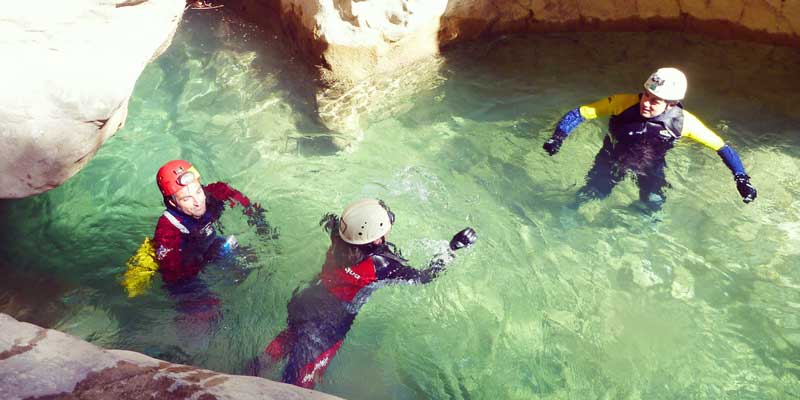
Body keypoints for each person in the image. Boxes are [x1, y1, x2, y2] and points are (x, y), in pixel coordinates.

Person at [245, 199, 477, 388]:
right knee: (296, 386)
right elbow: (424, 278)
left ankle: (248, 374)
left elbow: (339, 222)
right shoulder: (383, 265)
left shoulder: (336, 230)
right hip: (329, 326)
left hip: (306, 300)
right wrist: (451, 249)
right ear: (377, 238)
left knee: (290, 336)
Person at [542, 67, 757, 211]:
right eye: (646, 94)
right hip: (612, 158)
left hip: (651, 166)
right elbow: (581, 113)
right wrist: (558, 137)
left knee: (653, 205)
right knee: (590, 195)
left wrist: (742, 179)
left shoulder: (684, 123)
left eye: (655, 100)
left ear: (671, 104)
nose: (646, 102)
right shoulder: (622, 103)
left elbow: (722, 147)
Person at [153, 160, 273, 340]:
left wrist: (260, 223)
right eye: (186, 198)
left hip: (209, 247)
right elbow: (175, 278)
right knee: (209, 315)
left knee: (254, 260)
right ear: (172, 202)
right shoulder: (168, 231)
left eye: (198, 191)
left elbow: (241, 201)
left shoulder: (213, 194)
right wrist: (206, 258)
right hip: (186, 263)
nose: (198, 202)